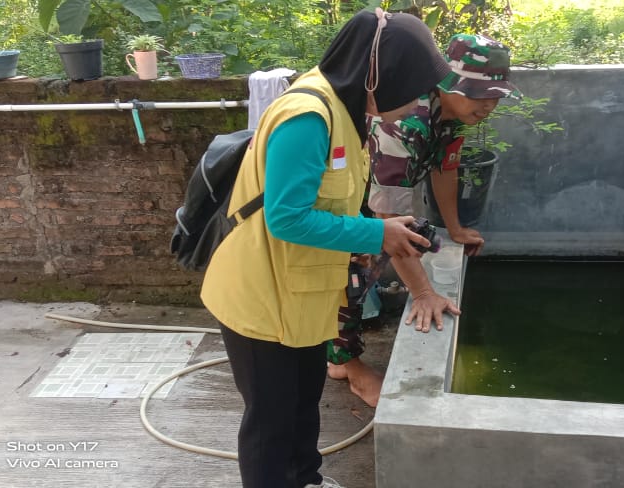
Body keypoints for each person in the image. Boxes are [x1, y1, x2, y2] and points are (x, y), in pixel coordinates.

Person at [200, 9, 452, 488]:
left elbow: (331, 204)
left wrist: (381, 224)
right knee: (270, 421)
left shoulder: (348, 110)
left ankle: (307, 480)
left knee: (302, 402)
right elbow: (286, 217)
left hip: (304, 294)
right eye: (411, 83)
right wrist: (378, 236)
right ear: (379, 71)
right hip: (260, 297)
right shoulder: (308, 116)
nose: (415, 98)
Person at [326, 33, 522, 407]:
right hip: (343, 199)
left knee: (383, 253)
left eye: (495, 95)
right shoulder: (405, 121)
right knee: (347, 273)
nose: (488, 105)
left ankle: (341, 354)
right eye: (478, 93)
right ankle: (348, 366)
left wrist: (456, 228)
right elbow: (387, 219)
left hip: (375, 198)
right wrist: (423, 293)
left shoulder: (451, 114)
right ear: (448, 82)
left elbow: (445, 169)